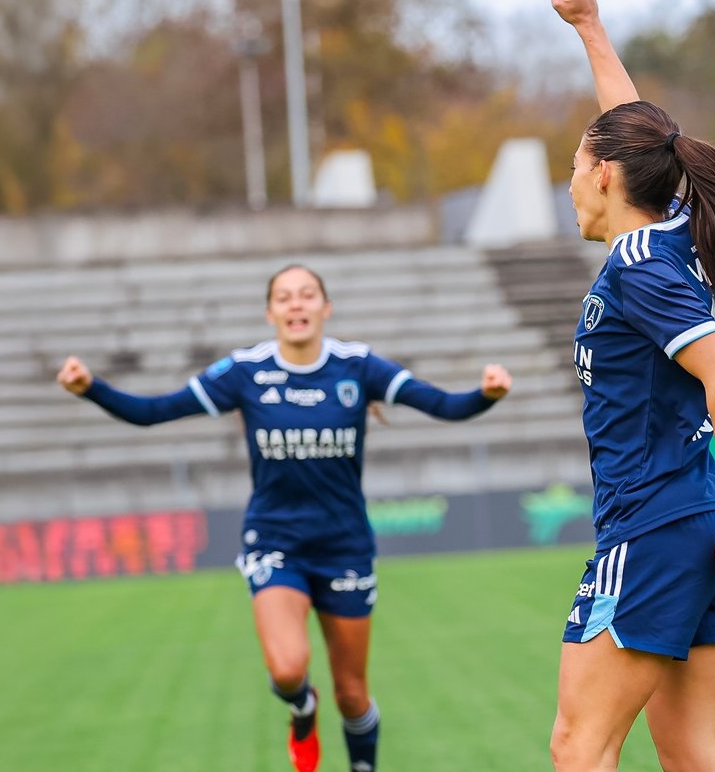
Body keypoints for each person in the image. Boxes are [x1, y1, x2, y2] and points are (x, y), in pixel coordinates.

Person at [56, 264, 512, 772]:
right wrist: (90, 386)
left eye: (307, 295)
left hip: (345, 547)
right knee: (290, 668)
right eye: (285, 297)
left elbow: (444, 405)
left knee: (353, 694)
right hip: (276, 543)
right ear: (270, 312)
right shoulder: (245, 372)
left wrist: (485, 395)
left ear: (325, 307)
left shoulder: (357, 366)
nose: (297, 304)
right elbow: (152, 411)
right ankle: (301, 706)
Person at [549, 0, 715, 772]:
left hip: (654, 528)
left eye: (574, 166)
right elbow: (636, 134)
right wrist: (590, 29)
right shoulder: (665, 236)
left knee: (578, 747)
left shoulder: (637, 268)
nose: (569, 183)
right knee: (692, 755)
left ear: (606, 177)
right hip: (690, 521)